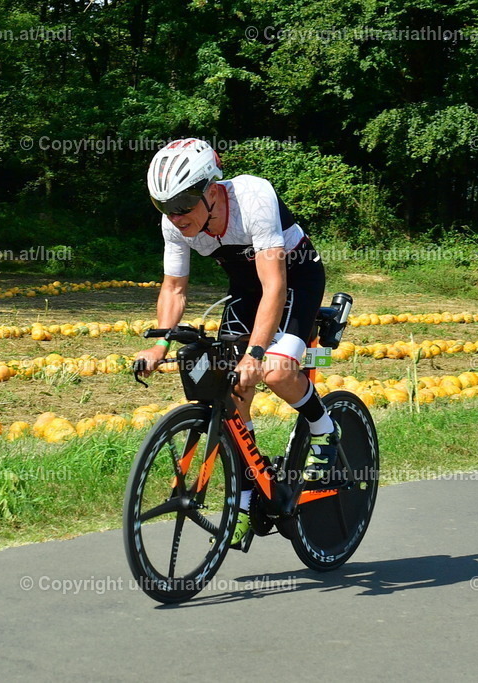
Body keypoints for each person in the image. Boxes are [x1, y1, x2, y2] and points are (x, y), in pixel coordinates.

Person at [134, 137, 338, 547]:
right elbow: (174, 288)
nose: (175, 217)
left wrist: (256, 353)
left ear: (211, 190)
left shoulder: (253, 197)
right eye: (164, 207)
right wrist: (159, 346)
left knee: (275, 369)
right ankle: (246, 499)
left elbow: (275, 286)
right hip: (246, 289)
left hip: (294, 279)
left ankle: (323, 428)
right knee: (232, 388)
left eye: (183, 205)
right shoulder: (175, 222)